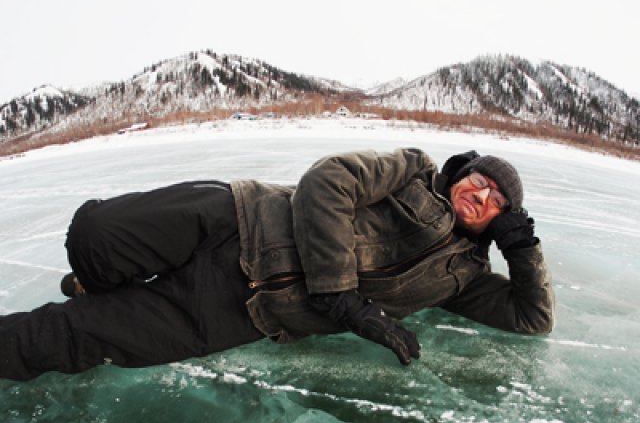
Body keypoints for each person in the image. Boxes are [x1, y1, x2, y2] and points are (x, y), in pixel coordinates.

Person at [0, 148, 554, 381]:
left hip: (245, 308)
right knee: (95, 235)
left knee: (70, 338)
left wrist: (522, 249)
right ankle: (99, 278)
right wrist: (343, 298)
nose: (481, 197)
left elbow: (533, 318)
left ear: (498, 222)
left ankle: (99, 299)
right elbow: (328, 180)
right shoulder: (413, 170)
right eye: (479, 182)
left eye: (496, 203)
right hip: (236, 217)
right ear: (462, 175)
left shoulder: (464, 280)